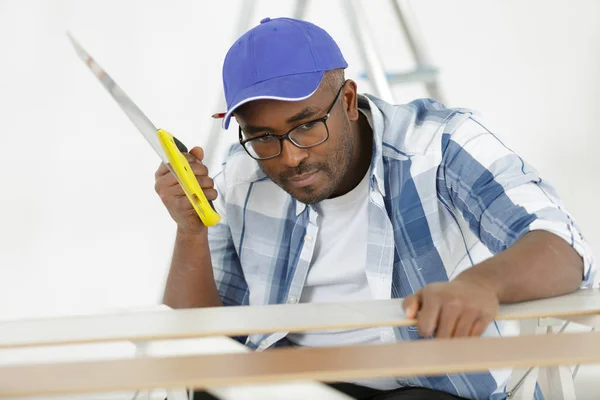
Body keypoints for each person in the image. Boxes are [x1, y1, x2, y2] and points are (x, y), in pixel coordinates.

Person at [154, 17, 595, 400]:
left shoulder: (438, 145)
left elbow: (563, 246)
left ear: (347, 100)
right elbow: (198, 343)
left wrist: (481, 285)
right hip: (295, 384)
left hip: (430, 388)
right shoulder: (242, 175)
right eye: (263, 136)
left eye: (306, 126)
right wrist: (190, 230)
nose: (289, 158)